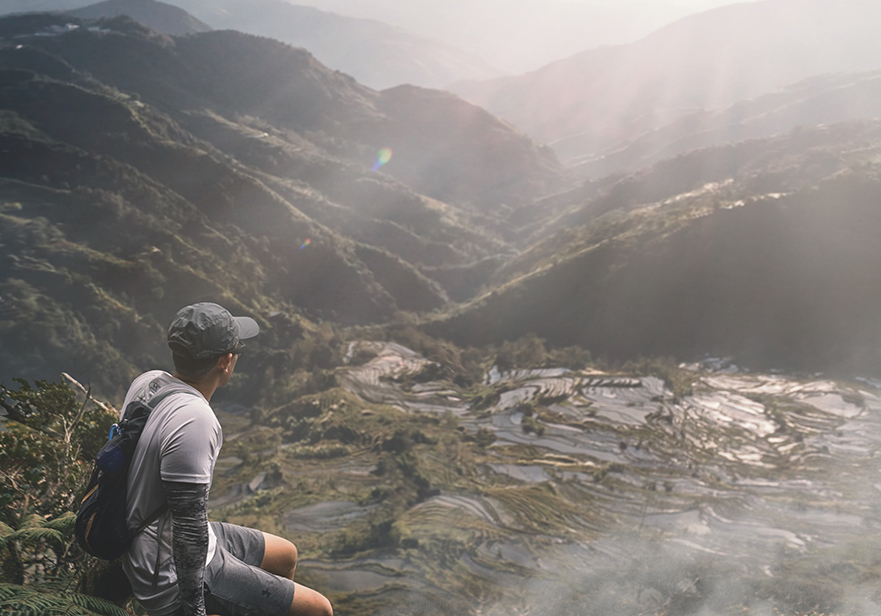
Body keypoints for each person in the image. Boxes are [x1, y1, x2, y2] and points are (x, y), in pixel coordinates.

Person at [120, 302, 333, 616]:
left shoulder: (149, 382)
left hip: (163, 538)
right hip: (168, 569)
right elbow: (189, 533)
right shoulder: (195, 420)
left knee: (285, 554)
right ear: (225, 361)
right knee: (319, 610)